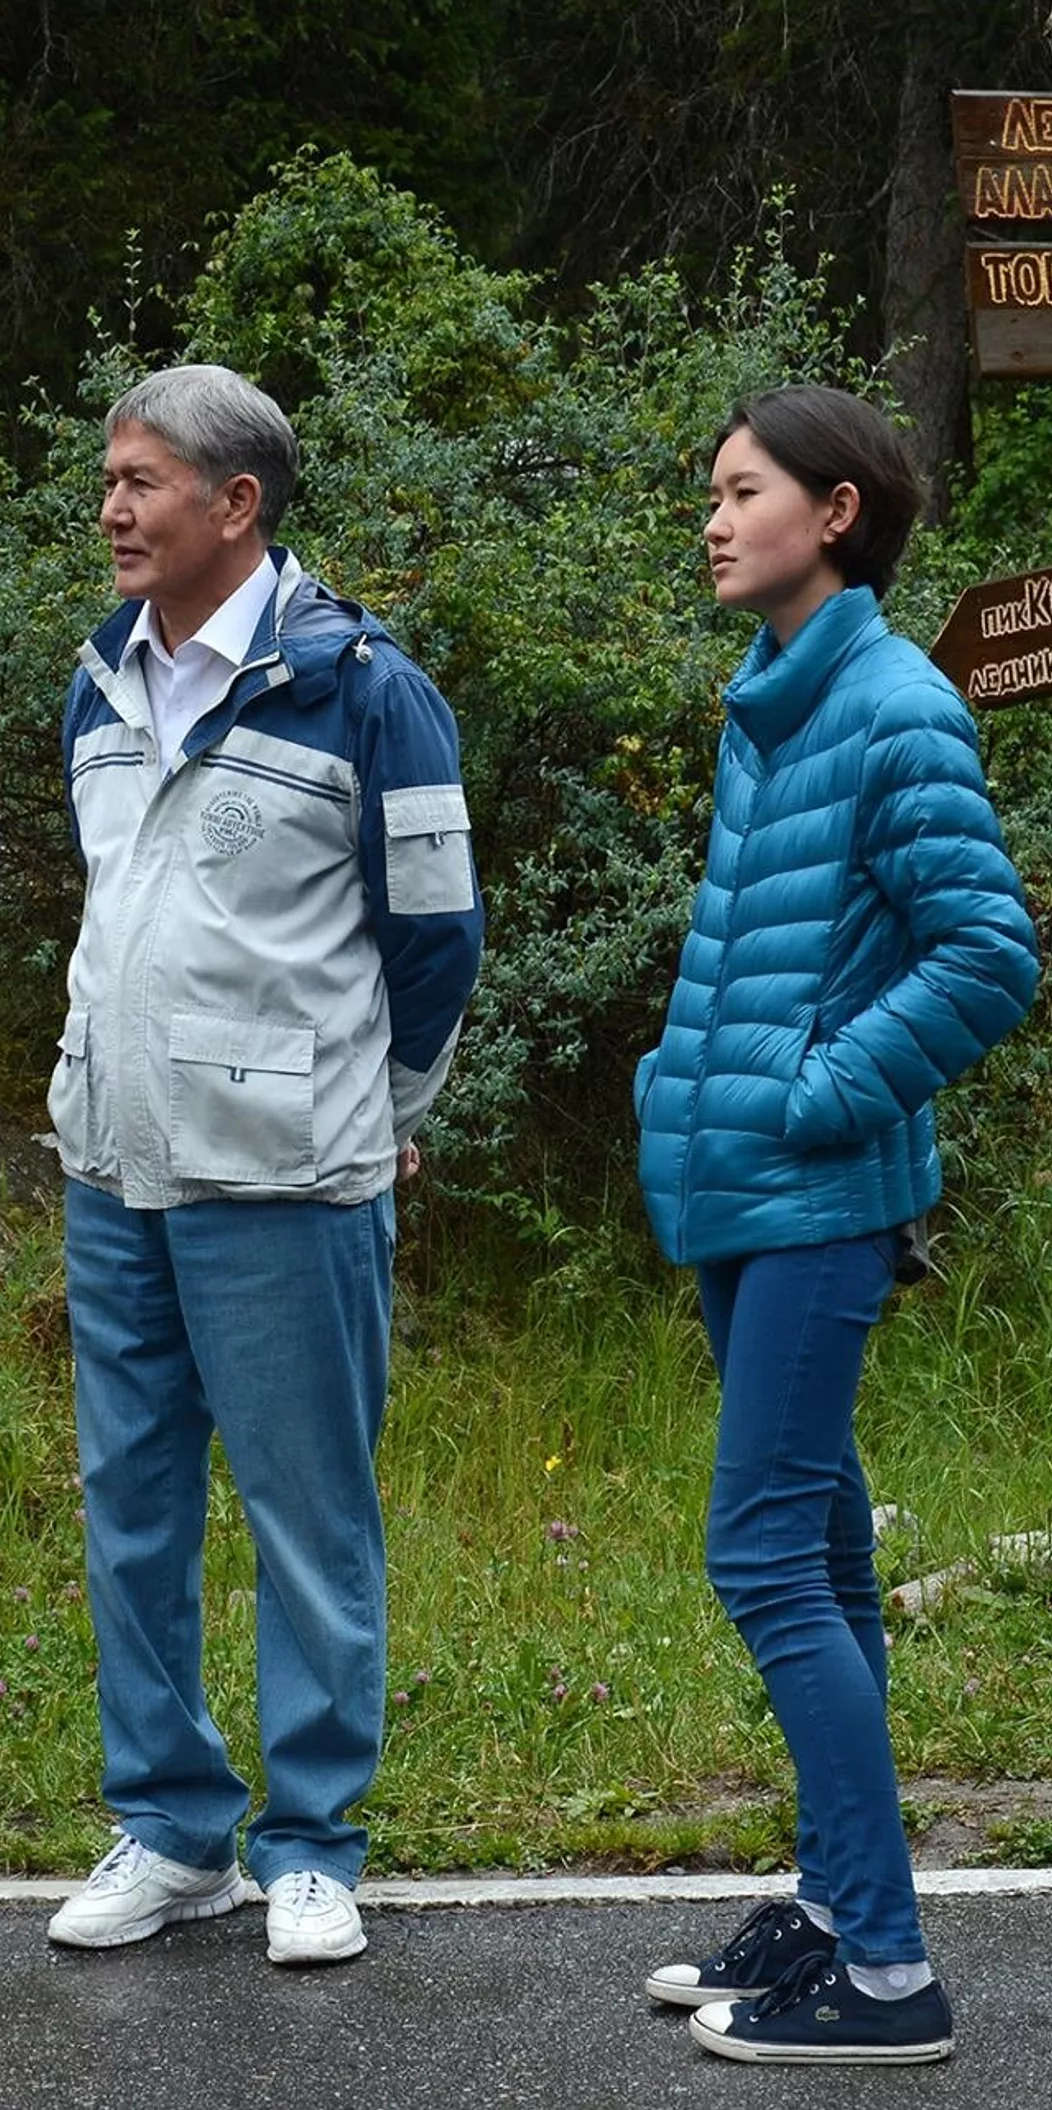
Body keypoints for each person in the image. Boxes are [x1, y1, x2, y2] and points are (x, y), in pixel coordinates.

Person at [43, 365, 483, 1967]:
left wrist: (383, 1105)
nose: (112, 509)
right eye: (109, 479)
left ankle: (311, 1843)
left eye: (141, 480)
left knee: (308, 1514)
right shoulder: (99, 679)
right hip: (115, 1164)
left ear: (237, 503)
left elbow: (437, 937)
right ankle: (173, 1831)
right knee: (131, 1511)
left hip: (289, 1176)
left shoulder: (363, 688)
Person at [635, 385, 1038, 2064]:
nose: (715, 519)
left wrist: (816, 1092)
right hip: (743, 1184)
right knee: (822, 1552)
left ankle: (886, 1975)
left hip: (812, 1194)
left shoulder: (893, 707)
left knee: (761, 1553)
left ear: (837, 512)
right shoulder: (777, 698)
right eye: (714, 493)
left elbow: (990, 954)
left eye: (744, 491)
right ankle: (831, 1903)